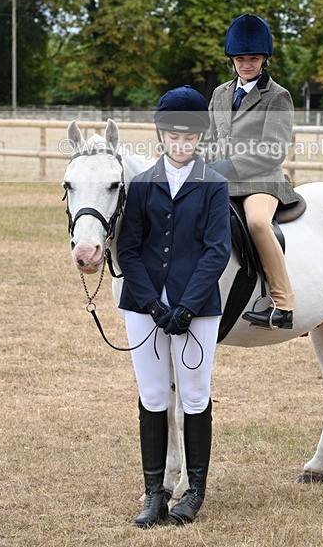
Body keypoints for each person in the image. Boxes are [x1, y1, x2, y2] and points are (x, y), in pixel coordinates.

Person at [117, 86, 231, 528]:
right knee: (151, 396)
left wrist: (185, 307)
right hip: (143, 307)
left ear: (199, 138)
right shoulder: (142, 184)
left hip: (196, 308)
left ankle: (194, 491)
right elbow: (128, 250)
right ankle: (154, 493)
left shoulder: (214, 185)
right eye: (173, 136)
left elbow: (217, 251)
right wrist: (151, 303)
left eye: (189, 137)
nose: (181, 144)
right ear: (161, 135)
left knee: (195, 396)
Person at [207, 13, 297, 330]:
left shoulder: (278, 97)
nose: (247, 65)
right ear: (232, 59)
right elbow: (210, 137)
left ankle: (283, 305)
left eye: (254, 59)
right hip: (220, 178)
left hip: (261, 180)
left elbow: (274, 149)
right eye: (241, 59)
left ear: (264, 59)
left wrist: (230, 165)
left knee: (258, 222)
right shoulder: (220, 94)